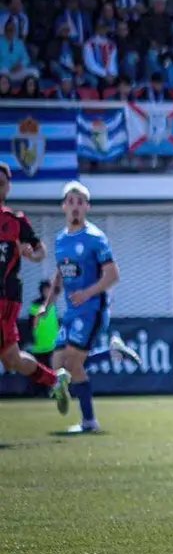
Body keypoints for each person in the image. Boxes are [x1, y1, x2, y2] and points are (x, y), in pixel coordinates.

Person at [45, 181, 139, 433]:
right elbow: (60, 273)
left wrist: (86, 293)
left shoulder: (95, 238)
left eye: (80, 202)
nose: (75, 207)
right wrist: (47, 304)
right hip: (71, 311)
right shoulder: (60, 240)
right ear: (64, 206)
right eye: (71, 202)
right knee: (57, 364)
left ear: (87, 207)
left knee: (72, 363)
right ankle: (111, 354)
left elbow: (112, 275)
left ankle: (89, 421)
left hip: (92, 310)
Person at [0, 163, 57, 395]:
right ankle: (55, 379)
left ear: (7, 188)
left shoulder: (15, 221)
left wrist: (31, 254)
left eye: (1, 184)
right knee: (11, 360)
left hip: (5, 299)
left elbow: (41, 251)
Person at [26, 279, 60, 396]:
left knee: (52, 369)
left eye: (50, 290)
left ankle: (53, 391)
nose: (48, 292)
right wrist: (31, 337)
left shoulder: (52, 304)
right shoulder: (35, 305)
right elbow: (31, 323)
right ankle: (36, 392)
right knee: (38, 369)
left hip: (52, 344)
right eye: (46, 290)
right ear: (41, 291)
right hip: (39, 345)